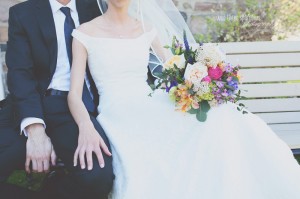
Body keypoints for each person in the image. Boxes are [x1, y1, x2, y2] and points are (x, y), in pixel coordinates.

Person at [68, 0, 300, 198]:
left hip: (150, 99)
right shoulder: (84, 33)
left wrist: (201, 83)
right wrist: (85, 125)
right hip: (118, 109)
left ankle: (238, 183)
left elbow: (175, 69)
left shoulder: (146, 29)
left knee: (220, 114)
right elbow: (74, 95)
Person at [2, 0, 114, 198]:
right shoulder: (23, 13)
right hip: (32, 103)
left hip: (77, 109)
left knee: (98, 177)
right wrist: (35, 128)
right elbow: (20, 74)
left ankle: (53, 188)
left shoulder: (97, 8)